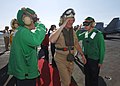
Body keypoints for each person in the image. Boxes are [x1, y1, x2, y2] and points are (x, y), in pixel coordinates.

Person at [8, 7, 46, 86]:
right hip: (26, 74)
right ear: (27, 20)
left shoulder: (18, 30)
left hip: (21, 71)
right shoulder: (23, 32)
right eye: (34, 20)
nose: (35, 22)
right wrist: (40, 25)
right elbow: (36, 40)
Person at [49, 8, 86, 86]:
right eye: (68, 20)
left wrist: (82, 55)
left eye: (72, 20)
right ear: (64, 20)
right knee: (66, 81)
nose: (71, 22)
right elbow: (52, 40)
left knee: (67, 79)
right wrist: (63, 25)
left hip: (70, 57)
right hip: (60, 57)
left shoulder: (72, 31)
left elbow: (76, 44)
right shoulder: (58, 30)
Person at [76, 17, 105, 86]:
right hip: (86, 59)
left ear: (92, 24)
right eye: (84, 24)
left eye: (87, 24)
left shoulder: (98, 34)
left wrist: (100, 61)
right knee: (87, 77)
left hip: (94, 60)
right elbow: (76, 38)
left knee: (94, 79)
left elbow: (102, 49)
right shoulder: (85, 34)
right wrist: (78, 30)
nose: (85, 26)